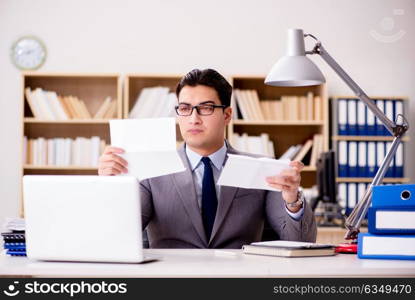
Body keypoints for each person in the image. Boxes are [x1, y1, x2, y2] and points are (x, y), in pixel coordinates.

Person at [98, 68, 316, 248]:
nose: (193, 119)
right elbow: (115, 238)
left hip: (240, 280)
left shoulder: (262, 168)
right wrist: (112, 187)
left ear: (227, 115)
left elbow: (301, 243)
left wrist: (292, 199)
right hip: (171, 280)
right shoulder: (151, 169)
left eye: (206, 108)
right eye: (185, 108)